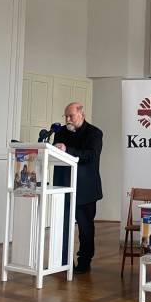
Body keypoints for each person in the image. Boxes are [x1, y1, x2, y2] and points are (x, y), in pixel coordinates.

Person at [52, 102, 103, 274]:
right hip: (63, 186)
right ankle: (63, 261)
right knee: (62, 225)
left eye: (71, 116)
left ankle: (84, 262)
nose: (67, 119)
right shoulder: (60, 132)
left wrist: (67, 149)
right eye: (65, 116)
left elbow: (91, 156)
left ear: (82, 115)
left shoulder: (94, 133)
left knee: (85, 228)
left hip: (85, 189)